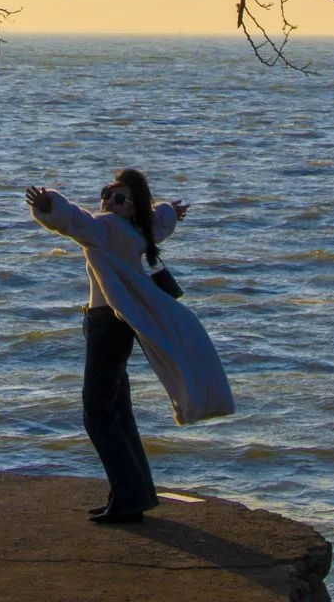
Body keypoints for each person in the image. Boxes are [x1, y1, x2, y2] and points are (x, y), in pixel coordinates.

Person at [24, 168, 236, 525]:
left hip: (106, 324)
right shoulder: (139, 231)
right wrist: (171, 211)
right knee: (118, 411)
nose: (109, 201)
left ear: (132, 207)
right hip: (120, 323)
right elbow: (160, 221)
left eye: (119, 198)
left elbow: (72, 220)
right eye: (106, 193)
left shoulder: (104, 228)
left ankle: (128, 499)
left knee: (98, 415)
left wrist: (47, 204)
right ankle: (134, 493)